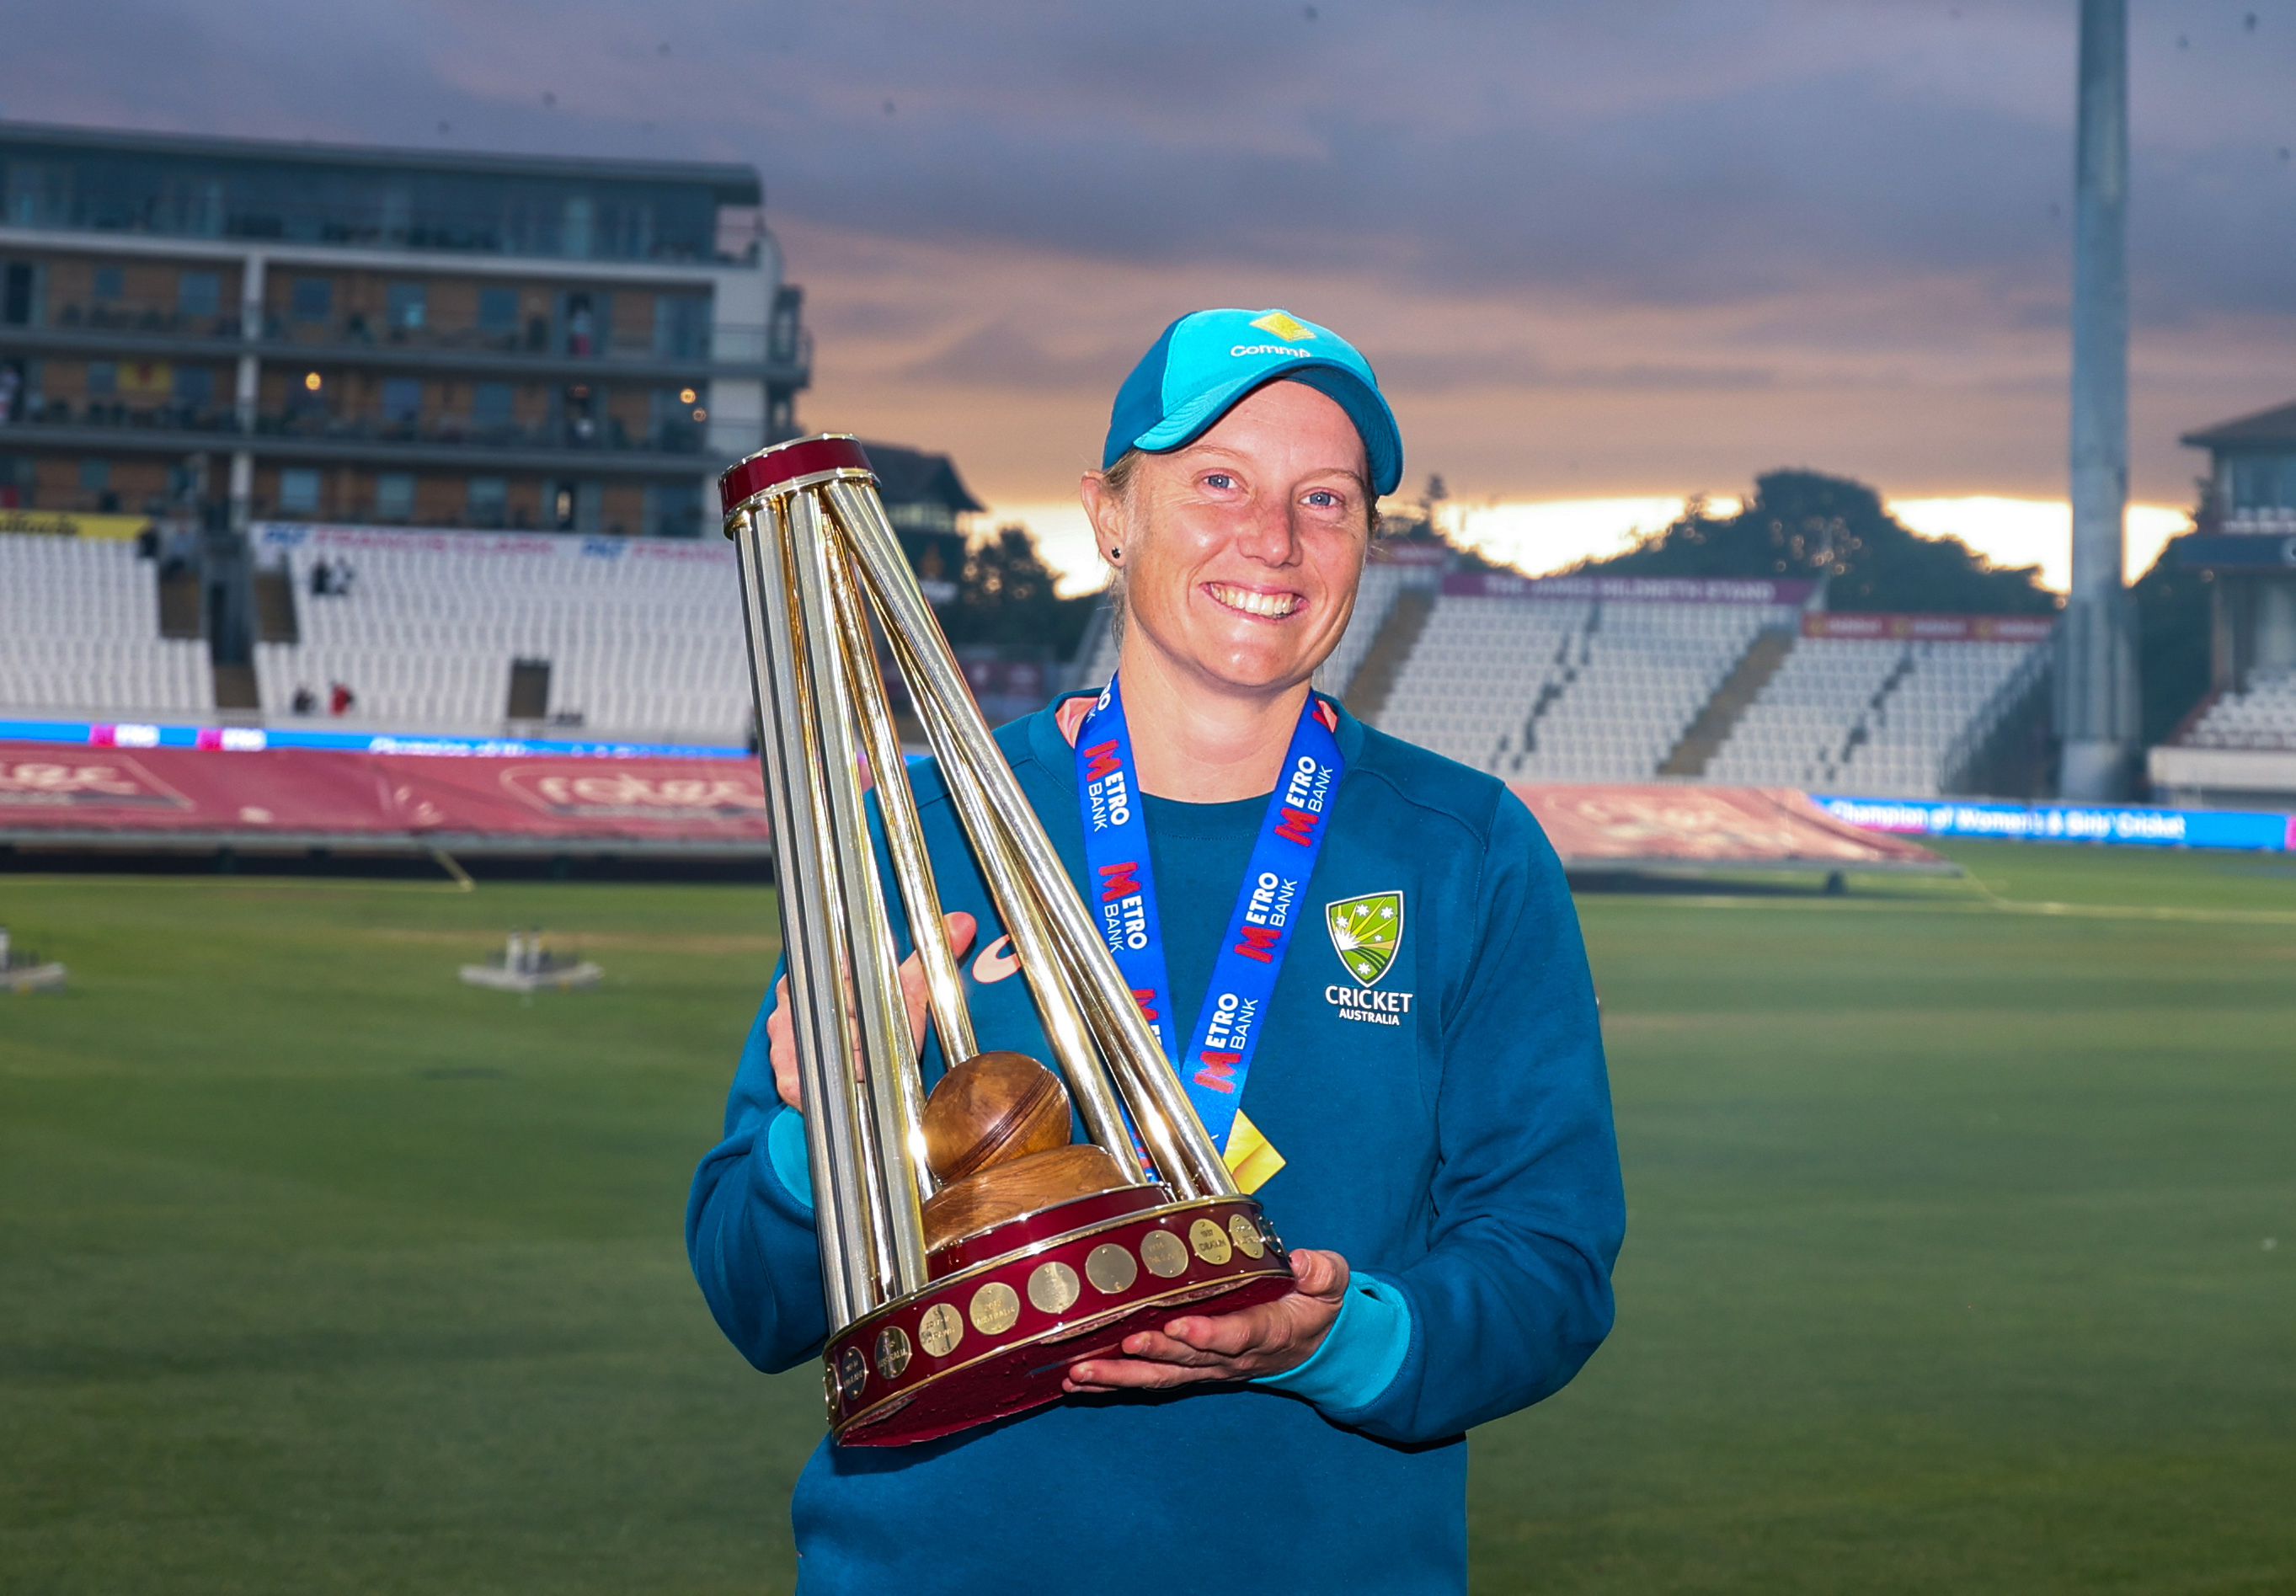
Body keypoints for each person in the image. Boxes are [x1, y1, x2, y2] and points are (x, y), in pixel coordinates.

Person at [687, 308, 1624, 1595]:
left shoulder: (1465, 850)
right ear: (1109, 512)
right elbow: (755, 1299)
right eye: (1218, 482)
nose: (1274, 540)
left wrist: (1323, 1341)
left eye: (1327, 499)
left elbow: (1549, 1270)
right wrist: (819, 1135)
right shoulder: (911, 835)